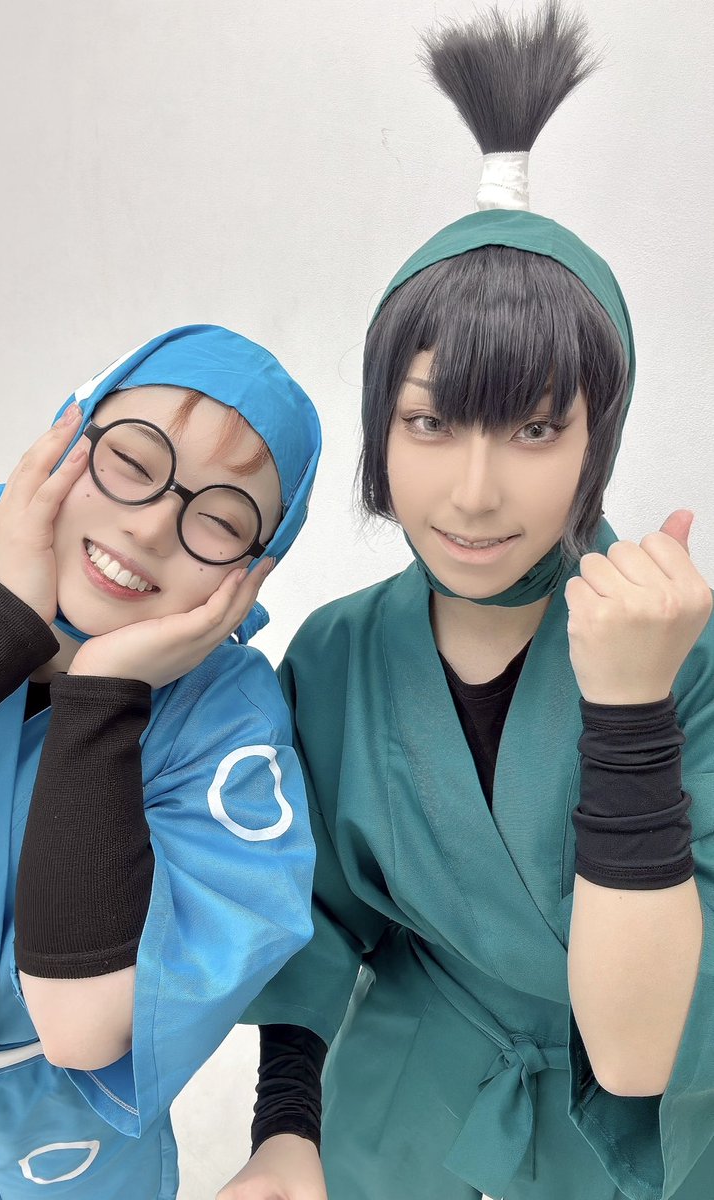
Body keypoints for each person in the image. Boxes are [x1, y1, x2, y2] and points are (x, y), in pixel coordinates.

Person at [222, 5, 714, 1199]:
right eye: (430, 421)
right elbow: (311, 920)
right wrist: (283, 1127)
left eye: (534, 428)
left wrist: (630, 707)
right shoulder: (336, 654)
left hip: (646, 1091)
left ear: (597, 439)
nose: (474, 492)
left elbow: (637, 1050)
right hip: (416, 1073)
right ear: (379, 426)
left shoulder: (687, 654)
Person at [0, 323, 321, 1197]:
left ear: (254, 571)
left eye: (220, 520)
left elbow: (81, 1028)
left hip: (63, 1138)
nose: (149, 528)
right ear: (65, 434)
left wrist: (104, 693)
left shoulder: (229, 732)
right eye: (132, 463)